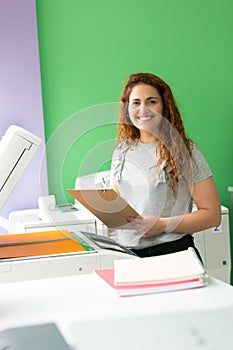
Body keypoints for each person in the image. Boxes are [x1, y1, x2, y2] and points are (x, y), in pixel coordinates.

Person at [110, 72, 221, 260]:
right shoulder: (121, 151)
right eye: (136, 103)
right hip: (128, 256)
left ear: (164, 107)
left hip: (174, 254)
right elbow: (117, 204)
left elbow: (212, 215)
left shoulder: (185, 151)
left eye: (151, 101)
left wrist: (162, 225)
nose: (143, 109)